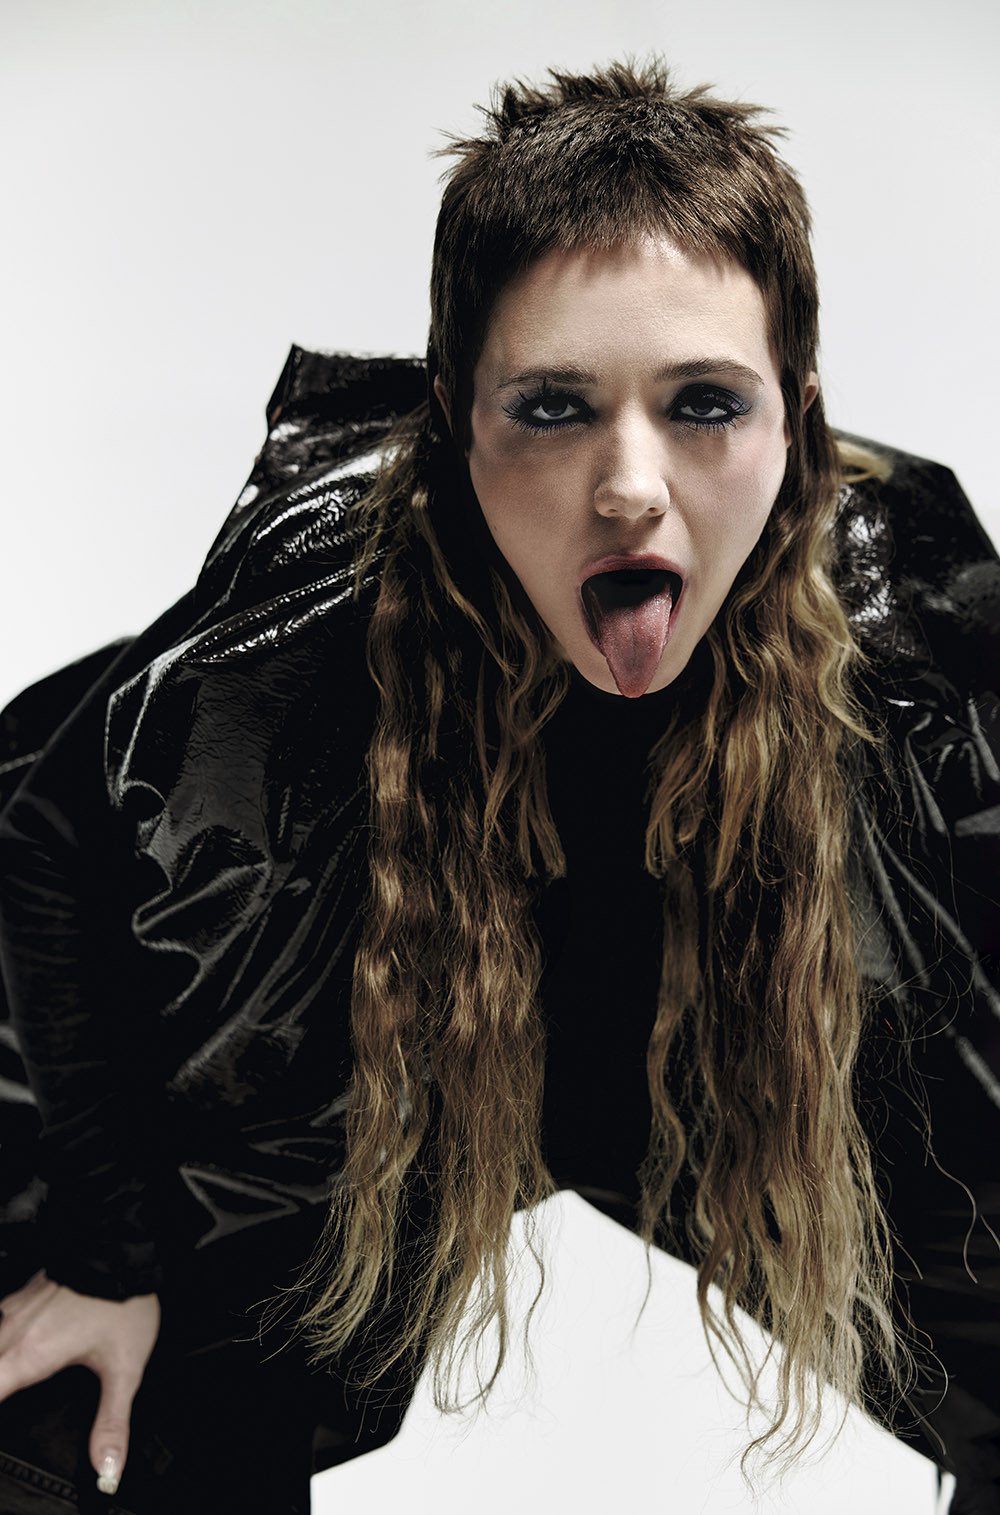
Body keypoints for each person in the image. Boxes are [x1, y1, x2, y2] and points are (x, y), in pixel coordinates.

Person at [0, 58, 997, 1515]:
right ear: (455, 421)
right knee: (81, 1424)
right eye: (553, 408)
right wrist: (108, 1254)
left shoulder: (918, 642)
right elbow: (46, 827)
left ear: (796, 420)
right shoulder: (311, 618)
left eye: (704, 403)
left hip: (707, 1039)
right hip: (385, 1031)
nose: (630, 485)